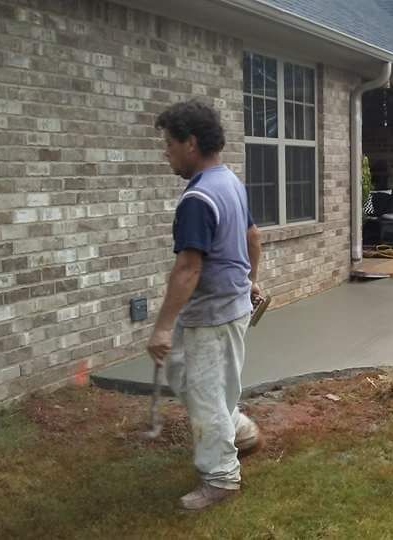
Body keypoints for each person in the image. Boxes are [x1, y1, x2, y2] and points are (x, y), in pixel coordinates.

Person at [147, 100, 263, 511]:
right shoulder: (229, 181)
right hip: (231, 307)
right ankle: (240, 430)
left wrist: (162, 326)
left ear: (191, 143)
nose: (166, 152)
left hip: (211, 315)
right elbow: (253, 238)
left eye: (170, 143)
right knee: (198, 382)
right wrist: (250, 282)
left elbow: (187, 269)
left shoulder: (198, 198)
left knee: (204, 395)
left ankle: (220, 478)